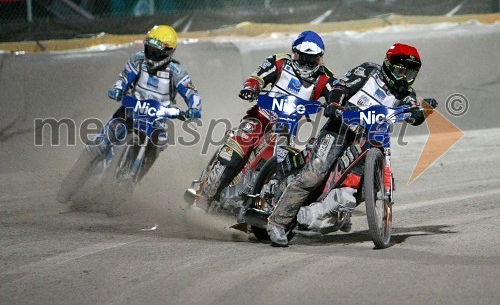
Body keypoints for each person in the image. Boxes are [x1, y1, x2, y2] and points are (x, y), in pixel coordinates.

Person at [266, 43, 438, 246]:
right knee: (314, 174)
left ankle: (335, 211)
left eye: (409, 74)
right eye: (400, 71)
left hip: (370, 138)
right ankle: (277, 222)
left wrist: (423, 111)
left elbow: (414, 115)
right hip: (340, 127)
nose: (403, 78)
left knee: (370, 188)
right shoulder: (368, 71)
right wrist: (334, 104)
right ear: (388, 66)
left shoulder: (406, 94)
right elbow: (341, 86)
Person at [190, 30, 338, 211]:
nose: (307, 64)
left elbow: (336, 95)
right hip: (261, 116)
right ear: (295, 54)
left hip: (287, 126)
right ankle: (203, 195)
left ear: (319, 58)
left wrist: (335, 105)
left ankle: (264, 200)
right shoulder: (279, 62)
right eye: (303, 58)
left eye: (312, 59)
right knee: (240, 143)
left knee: (286, 159)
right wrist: (251, 87)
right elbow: (257, 77)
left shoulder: (325, 77)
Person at [57, 25, 202, 203]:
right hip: (130, 110)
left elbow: (191, 93)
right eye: (149, 49)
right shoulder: (137, 61)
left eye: (156, 52)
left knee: (160, 142)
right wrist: (117, 90)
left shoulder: (177, 72)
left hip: (157, 118)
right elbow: (123, 79)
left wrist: (194, 109)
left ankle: (131, 182)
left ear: (168, 52)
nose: (151, 55)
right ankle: (69, 184)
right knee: (99, 143)